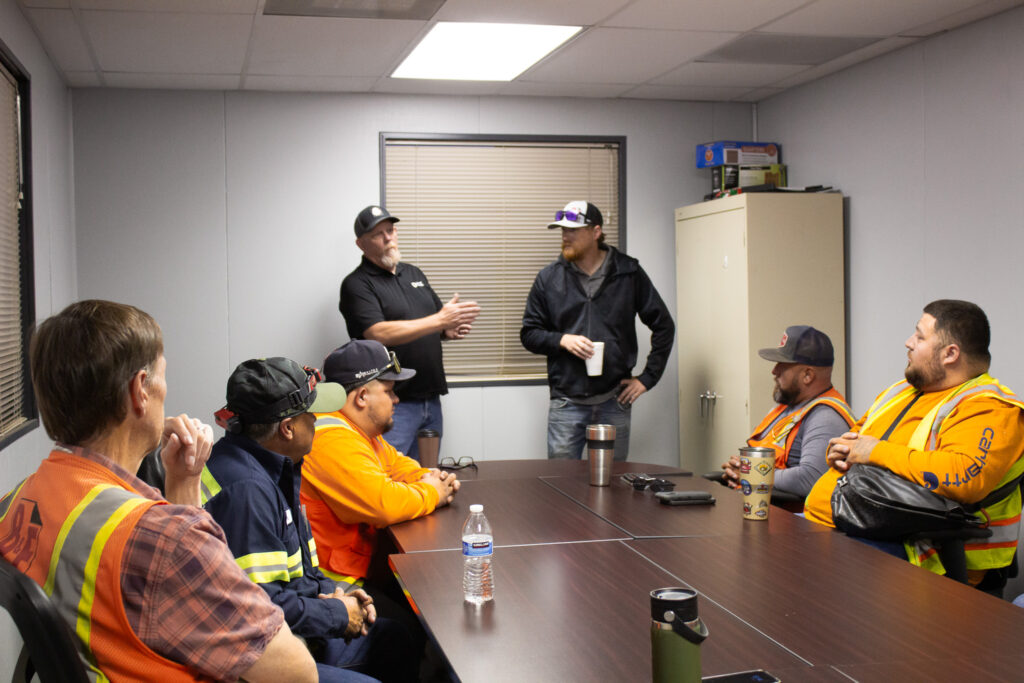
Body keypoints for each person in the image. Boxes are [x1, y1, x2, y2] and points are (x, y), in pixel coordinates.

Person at [0, 300, 315, 682]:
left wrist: (183, 484)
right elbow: (295, 673)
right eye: (163, 376)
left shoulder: (19, 499)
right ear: (140, 391)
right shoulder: (166, 540)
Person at [201, 357, 417, 682]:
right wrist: (336, 614)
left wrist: (338, 596)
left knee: (396, 639)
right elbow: (259, 607)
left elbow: (297, 571)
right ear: (288, 429)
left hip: (289, 629)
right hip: (259, 656)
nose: (318, 421)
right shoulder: (248, 490)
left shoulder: (275, 465)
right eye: (311, 415)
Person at [805, 300, 1024, 587]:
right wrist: (838, 451)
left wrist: (874, 452)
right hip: (839, 528)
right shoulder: (901, 391)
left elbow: (964, 475)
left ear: (950, 354)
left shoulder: (990, 408)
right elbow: (858, 436)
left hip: (924, 555)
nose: (908, 343)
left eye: (920, 337)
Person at [521, 200, 675, 460]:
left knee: (612, 486)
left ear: (595, 232)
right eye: (562, 231)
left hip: (614, 401)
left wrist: (647, 378)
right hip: (566, 403)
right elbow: (529, 333)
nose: (565, 236)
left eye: (573, 230)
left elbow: (664, 325)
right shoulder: (549, 278)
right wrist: (562, 340)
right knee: (561, 484)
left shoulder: (628, 272)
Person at [300, 339, 460, 585]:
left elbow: (397, 465)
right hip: (337, 587)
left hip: (362, 568)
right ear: (362, 396)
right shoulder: (331, 438)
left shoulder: (356, 430)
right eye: (389, 391)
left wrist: (430, 477)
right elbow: (383, 504)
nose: (396, 400)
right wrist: (432, 492)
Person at [339, 204, 480, 461]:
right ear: (361, 244)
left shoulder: (413, 273)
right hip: (392, 402)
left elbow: (433, 323)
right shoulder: (357, 284)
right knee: (391, 476)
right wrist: (439, 320)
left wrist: (448, 329)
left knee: (427, 477)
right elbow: (376, 332)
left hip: (430, 397)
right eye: (378, 234)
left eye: (391, 230)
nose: (388, 237)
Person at [719, 325, 855, 498]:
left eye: (783, 365)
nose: (774, 371)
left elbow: (811, 479)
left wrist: (748, 473)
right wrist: (736, 471)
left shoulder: (826, 417)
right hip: (753, 505)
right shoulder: (786, 408)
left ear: (808, 375)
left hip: (788, 519)